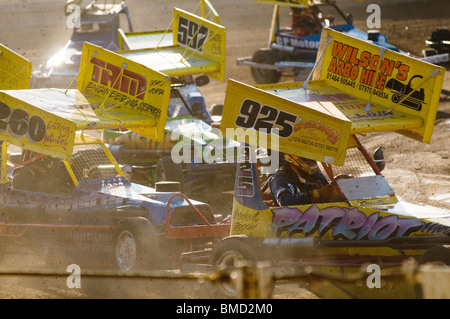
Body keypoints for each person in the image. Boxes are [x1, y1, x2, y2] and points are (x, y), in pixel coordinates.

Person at [268, 153, 341, 206]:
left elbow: (329, 193)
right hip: (292, 223)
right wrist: (315, 194)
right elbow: (285, 202)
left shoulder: (316, 176)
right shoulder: (280, 177)